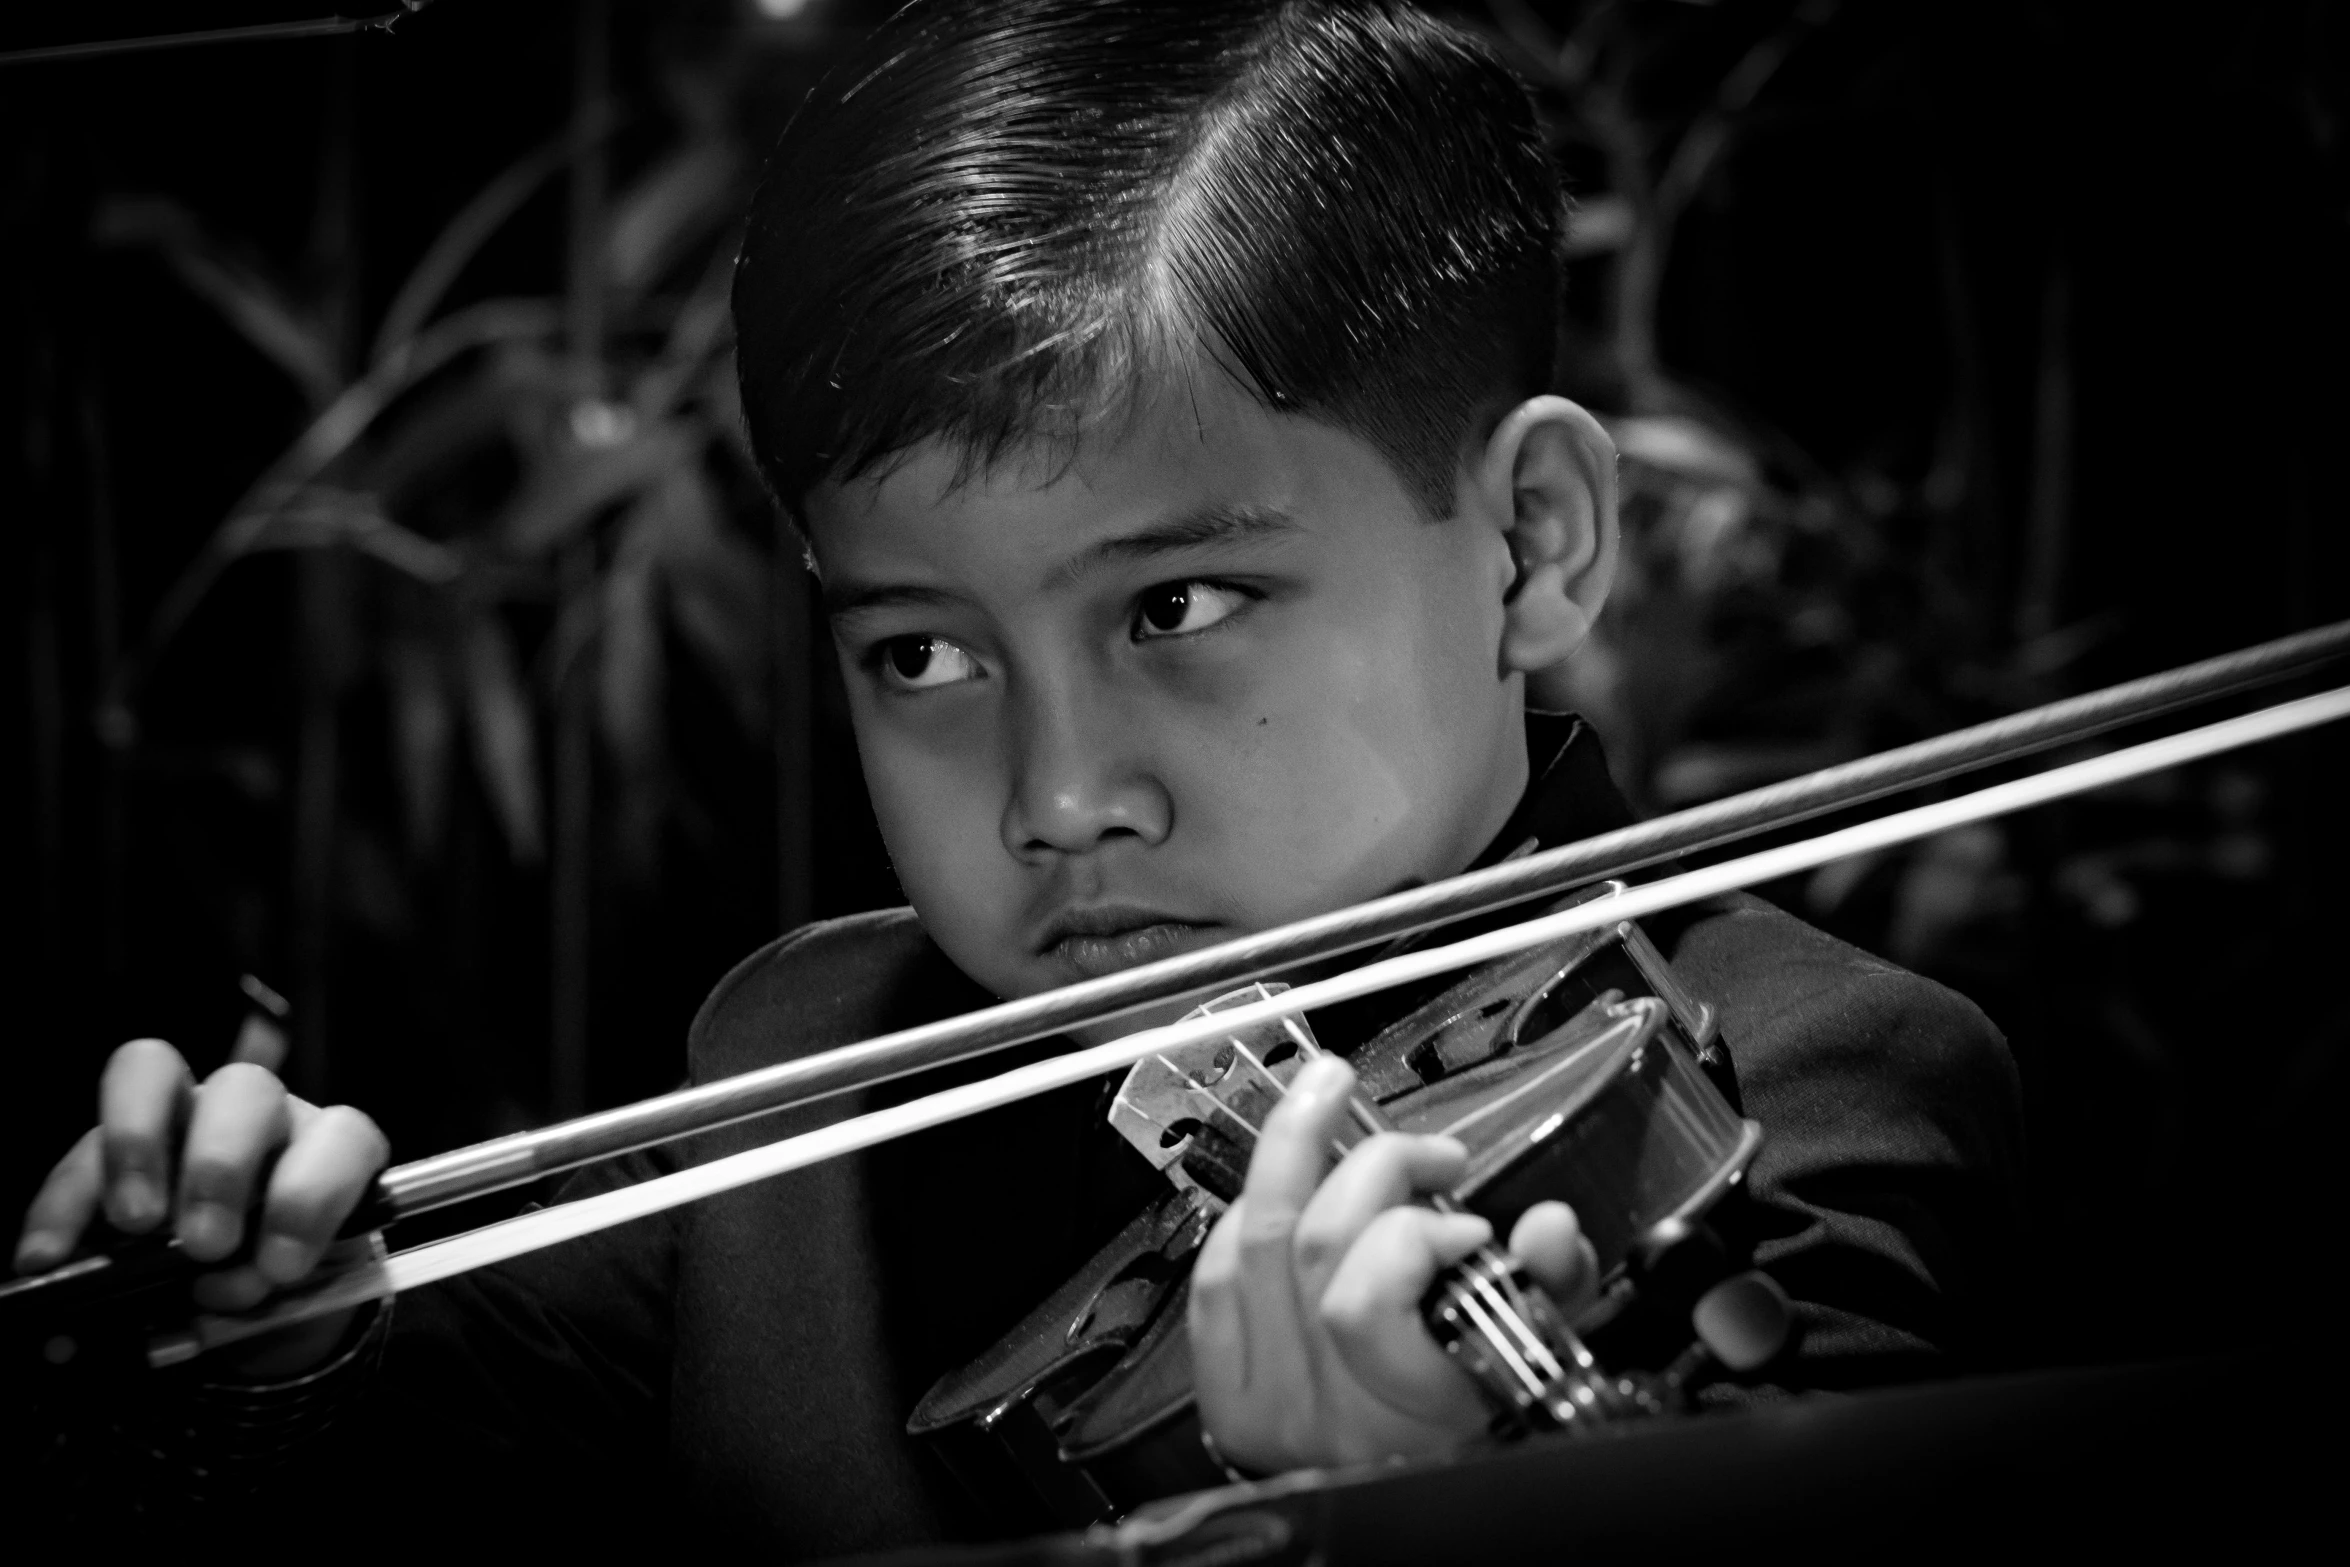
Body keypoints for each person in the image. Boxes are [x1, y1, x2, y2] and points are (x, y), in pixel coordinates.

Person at [11, 0, 2024, 1554]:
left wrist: (1413, 1524)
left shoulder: (1814, 1090)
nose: (1056, 796)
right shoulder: (815, 1063)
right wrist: (238, 1357)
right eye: (921, 654)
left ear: (1532, 543)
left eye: (1180, 608)